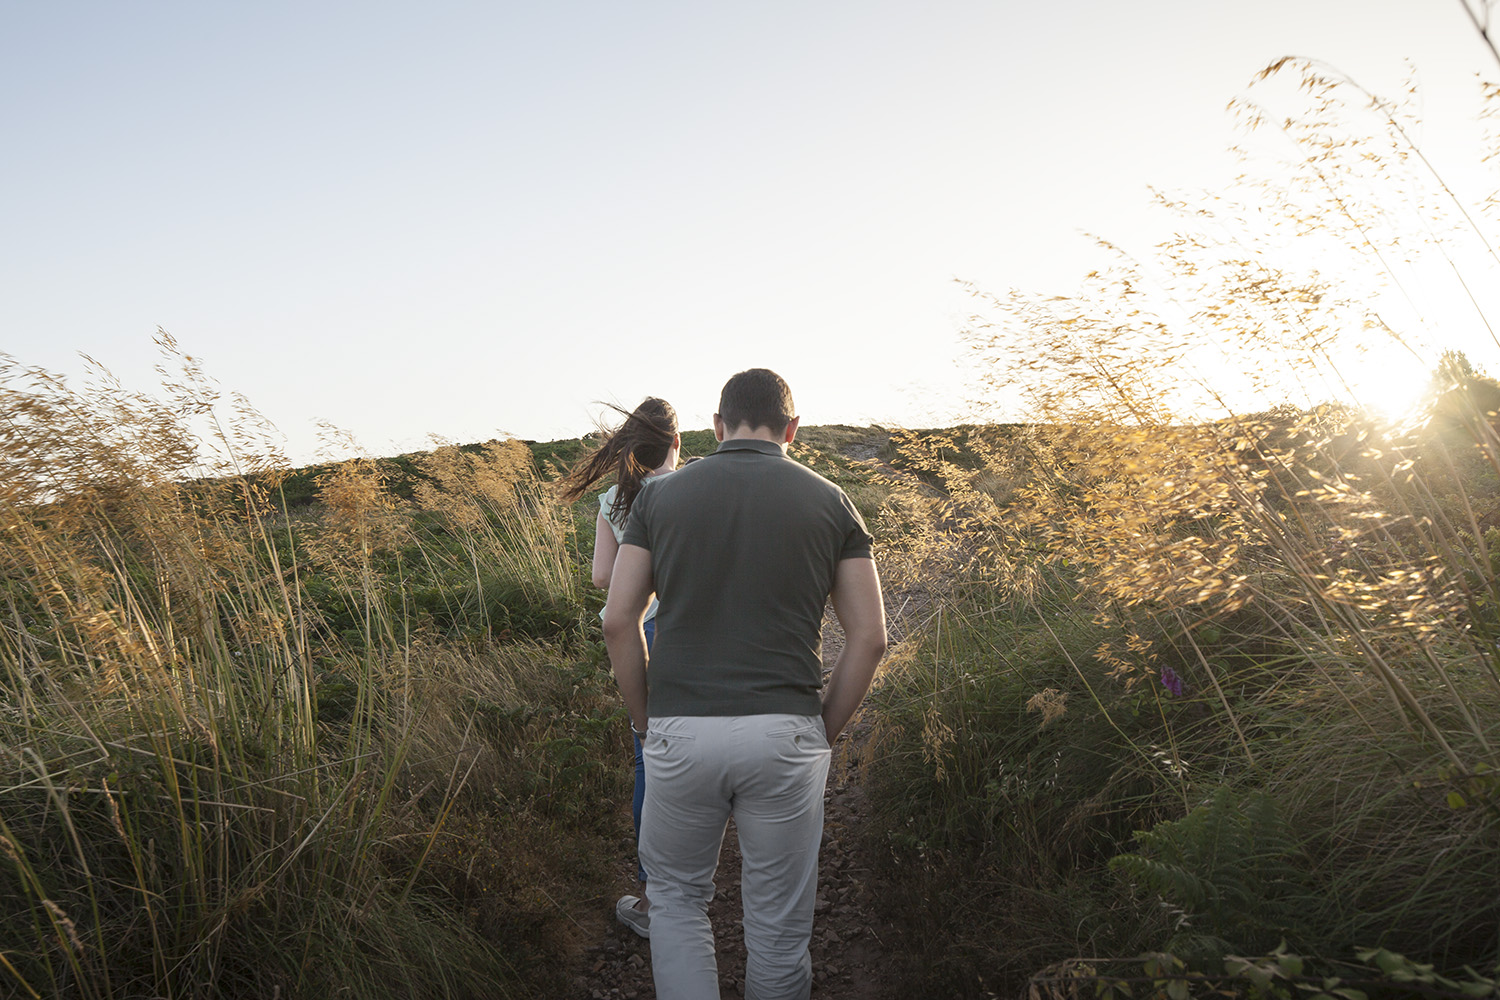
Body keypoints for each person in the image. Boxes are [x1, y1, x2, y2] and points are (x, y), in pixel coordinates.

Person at [602, 369, 887, 1000]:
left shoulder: (660, 499)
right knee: (780, 930)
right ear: (792, 430)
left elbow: (619, 619)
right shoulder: (832, 499)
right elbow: (869, 639)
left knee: (675, 902)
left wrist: (650, 722)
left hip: (680, 728)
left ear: (717, 426)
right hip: (785, 733)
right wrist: (820, 730)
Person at [559, 396, 680, 937]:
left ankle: (655, 897)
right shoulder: (689, 487)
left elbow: (602, 579)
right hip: (686, 630)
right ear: (677, 442)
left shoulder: (614, 497)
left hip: (638, 631)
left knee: (647, 760)